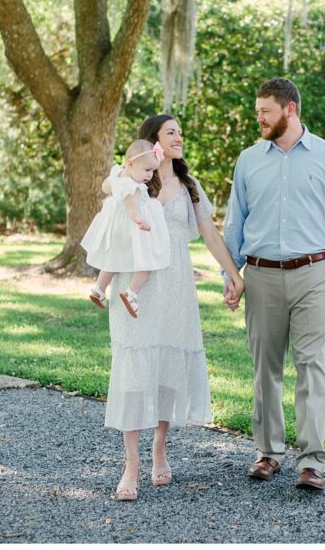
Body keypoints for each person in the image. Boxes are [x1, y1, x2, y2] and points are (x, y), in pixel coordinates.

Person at [222, 77, 325, 492]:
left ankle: (312, 462)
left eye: (265, 111)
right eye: (257, 112)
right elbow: (235, 223)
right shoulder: (248, 159)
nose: (259, 118)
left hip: (312, 275)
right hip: (261, 276)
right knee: (265, 368)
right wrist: (231, 276)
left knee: (311, 365)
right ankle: (268, 452)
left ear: (291, 110)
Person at [103, 114, 245, 501]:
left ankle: (159, 449)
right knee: (134, 369)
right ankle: (131, 462)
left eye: (181, 132)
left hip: (177, 286)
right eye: (171, 132)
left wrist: (234, 274)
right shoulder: (131, 178)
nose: (179, 137)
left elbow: (210, 234)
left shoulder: (190, 185)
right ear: (153, 141)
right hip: (135, 286)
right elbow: (110, 210)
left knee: (167, 367)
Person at [81, 139, 169, 318]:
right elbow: (133, 209)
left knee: (113, 260)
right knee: (148, 262)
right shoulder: (133, 187)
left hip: (116, 228)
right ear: (130, 163)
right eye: (147, 170)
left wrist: (113, 182)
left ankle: (98, 289)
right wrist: (141, 221)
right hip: (133, 228)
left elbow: (105, 187)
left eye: (153, 170)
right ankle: (132, 293)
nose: (150, 175)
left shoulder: (118, 173)